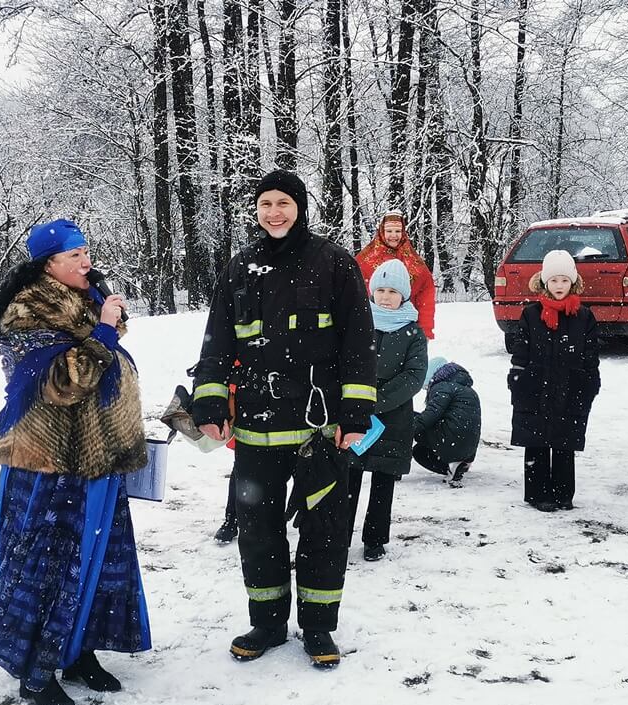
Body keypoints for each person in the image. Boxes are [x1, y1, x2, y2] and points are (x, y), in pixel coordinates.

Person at [191, 169, 376, 667]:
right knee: (257, 530)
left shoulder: (334, 264)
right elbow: (217, 341)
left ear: (300, 207)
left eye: (284, 203)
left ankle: (318, 627)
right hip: (256, 426)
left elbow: (359, 343)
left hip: (320, 430)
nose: (274, 213)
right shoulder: (238, 269)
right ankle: (267, 623)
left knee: (325, 529)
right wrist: (208, 402)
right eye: (265, 203)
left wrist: (356, 411)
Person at [0, 219, 151, 705]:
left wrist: (104, 321)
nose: (87, 262)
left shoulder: (81, 304)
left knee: (93, 561)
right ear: (48, 264)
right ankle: (36, 669)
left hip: (96, 461)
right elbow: (65, 383)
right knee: (47, 566)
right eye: (75, 256)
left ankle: (79, 651)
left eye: (87, 252)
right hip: (49, 465)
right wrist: (106, 330)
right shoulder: (27, 312)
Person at [345, 259, 427, 562]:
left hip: (394, 419)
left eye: (393, 291)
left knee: (383, 480)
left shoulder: (413, 332)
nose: (385, 296)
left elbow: (414, 376)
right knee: (349, 477)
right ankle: (339, 535)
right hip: (355, 414)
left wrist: (376, 400)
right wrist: (356, 397)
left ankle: (375, 539)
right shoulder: (357, 322)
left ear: (404, 295)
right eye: (380, 289)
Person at [508, 249, 600, 512]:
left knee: (564, 442)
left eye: (564, 280)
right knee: (536, 441)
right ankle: (538, 493)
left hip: (571, 386)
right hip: (535, 386)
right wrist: (518, 377)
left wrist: (589, 380)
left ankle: (563, 493)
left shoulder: (583, 316)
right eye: (554, 280)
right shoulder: (531, 314)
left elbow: (590, 353)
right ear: (544, 282)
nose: (559, 286)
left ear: (573, 282)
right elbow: (520, 350)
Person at [355, 210, 436, 340]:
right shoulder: (365, 260)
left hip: (405, 328)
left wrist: (425, 331)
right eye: (389, 231)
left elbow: (426, 296)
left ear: (403, 232)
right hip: (371, 327)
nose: (393, 235)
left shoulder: (414, 262)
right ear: (382, 231)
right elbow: (353, 293)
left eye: (398, 231)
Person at [412, 357, 481, 488]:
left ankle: (448, 467)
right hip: (468, 449)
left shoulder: (443, 387)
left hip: (450, 441)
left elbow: (431, 415)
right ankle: (459, 464)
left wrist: (407, 429)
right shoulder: (469, 390)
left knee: (418, 450)